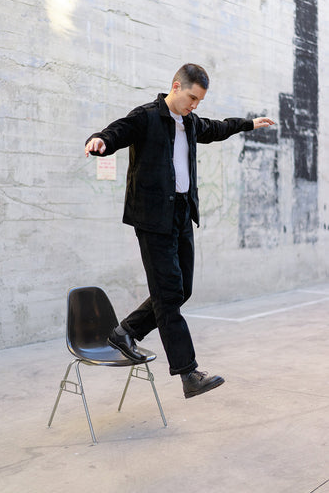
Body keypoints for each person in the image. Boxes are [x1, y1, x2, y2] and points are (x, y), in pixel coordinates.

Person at [84, 63, 275, 399]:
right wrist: (99, 141)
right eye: (191, 98)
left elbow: (216, 128)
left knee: (182, 288)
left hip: (182, 215)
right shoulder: (146, 117)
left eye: (199, 101)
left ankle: (125, 332)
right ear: (175, 86)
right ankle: (188, 373)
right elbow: (115, 132)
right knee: (169, 297)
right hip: (153, 220)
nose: (194, 105)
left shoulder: (189, 123)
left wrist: (249, 124)